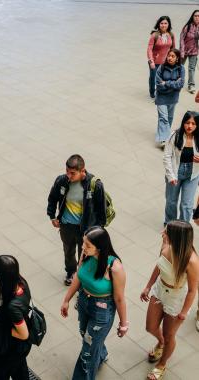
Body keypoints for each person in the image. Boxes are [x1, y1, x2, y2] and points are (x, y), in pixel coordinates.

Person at [60, 226, 128, 380]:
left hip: (102, 310)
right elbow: (78, 276)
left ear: (100, 247)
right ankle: (101, 353)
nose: (83, 247)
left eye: (87, 245)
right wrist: (66, 300)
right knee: (85, 334)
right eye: (83, 243)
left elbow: (119, 298)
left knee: (87, 351)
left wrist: (124, 324)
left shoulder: (115, 268)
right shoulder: (86, 255)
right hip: (84, 300)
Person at [140, 221, 199, 380]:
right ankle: (160, 343)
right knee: (150, 327)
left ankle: (162, 364)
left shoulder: (192, 261)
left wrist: (184, 312)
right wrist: (148, 286)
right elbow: (159, 266)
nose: (162, 233)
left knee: (169, 335)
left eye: (165, 232)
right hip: (160, 290)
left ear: (176, 237)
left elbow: (193, 290)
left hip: (176, 298)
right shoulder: (166, 244)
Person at [47, 154, 106, 286]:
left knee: (85, 253)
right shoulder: (61, 181)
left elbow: (101, 210)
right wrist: (52, 216)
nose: (69, 175)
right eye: (67, 172)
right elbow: (52, 198)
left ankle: (83, 276)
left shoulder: (95, 185)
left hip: (85, 229)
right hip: (66, 226)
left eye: (72, 173)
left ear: (82, 171)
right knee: (68, 251)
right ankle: (71, 272)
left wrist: (99, 230)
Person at [163, 111, 199, 224]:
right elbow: (167, 156)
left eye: (193, 123)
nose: (190, 126)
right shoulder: (175, 135)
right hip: (175, 172)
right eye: (187, 123)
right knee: (171, 202)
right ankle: (170, 225)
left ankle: (184, 228)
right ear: (183, 122)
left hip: (192, 175)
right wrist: (171, 176)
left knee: (187, 205)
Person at [155, 49, 185, 148]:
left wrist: (167, 83)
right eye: (169, 55)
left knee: (169, 118)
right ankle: (165, 140)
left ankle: (163, 134)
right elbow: (159, 84)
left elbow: (180, 84)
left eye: (173, 56)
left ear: (177, 59)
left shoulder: (181, 69)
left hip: (173, 98)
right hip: (161, 97)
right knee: (163, 118)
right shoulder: (161, 67)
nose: (170, 58)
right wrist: (173, 85)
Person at [148, 16, 175, 99]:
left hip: (166, 62)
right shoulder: (154, 35)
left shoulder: (171, 35)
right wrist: (151, 61)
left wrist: (174, 59)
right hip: (155, 61)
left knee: (165, 78)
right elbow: (149, 49)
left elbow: (173, 49)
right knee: (154, 78)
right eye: (162, 23)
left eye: (165, 23)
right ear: (159, 24)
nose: (163, 25)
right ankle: (152, 92)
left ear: (168, 24)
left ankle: (161, 93)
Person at [180, 10, 199, 94]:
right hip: (184, 50)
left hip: (194, 51)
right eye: (195, 16)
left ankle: (191, 84)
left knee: (191, 68)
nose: (197, 17)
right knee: (179, 67)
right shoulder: (187, 27)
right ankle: (177, 81)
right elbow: (181, 39)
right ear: (192, 16)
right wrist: (182, 51)